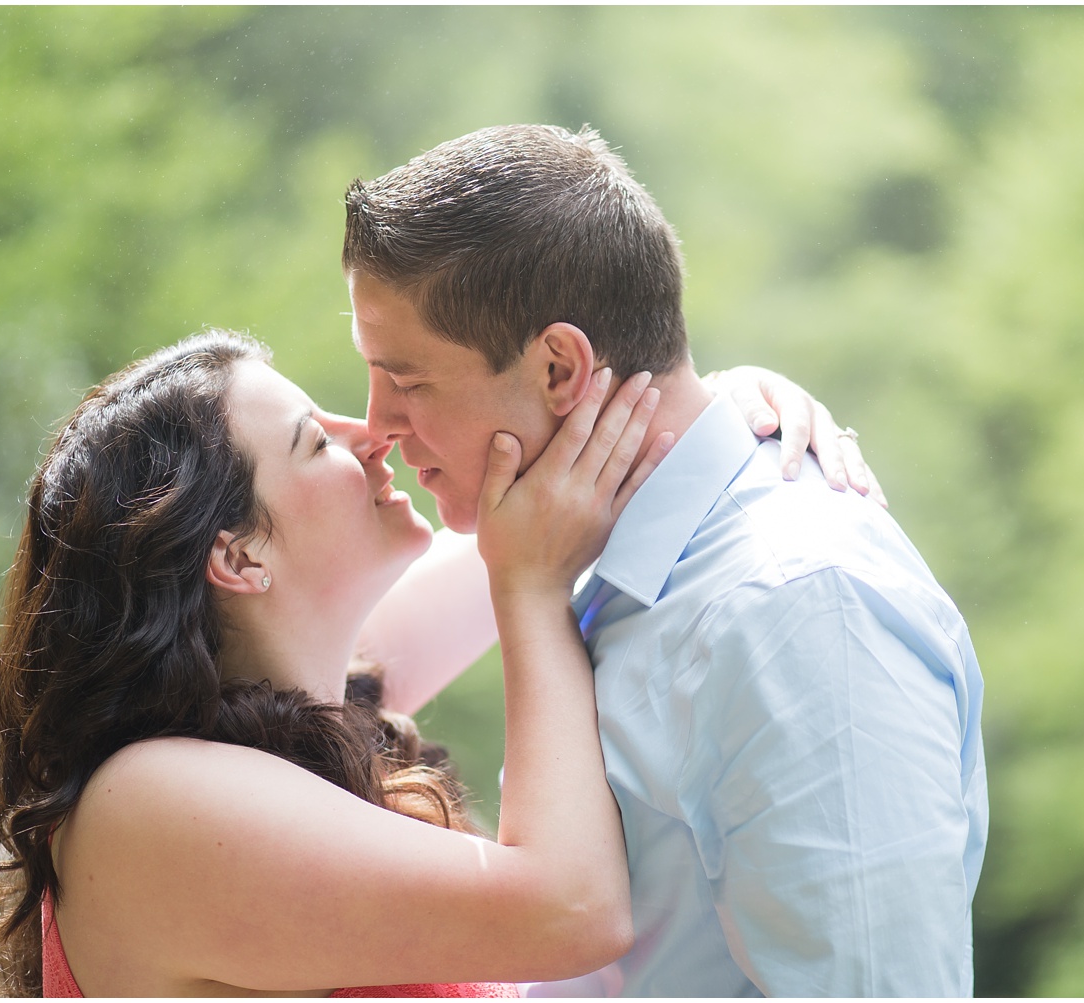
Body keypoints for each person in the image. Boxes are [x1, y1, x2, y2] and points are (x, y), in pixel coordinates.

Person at [0, 328, 866, 996]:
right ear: (238, 557)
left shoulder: (305, 698)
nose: (373, 433)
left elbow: (565, 494)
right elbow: (575, 912)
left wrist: (725, 400)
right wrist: (532, 594)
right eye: (316, 440)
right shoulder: (145, 804)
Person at [341, 124, 988, 997]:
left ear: (561, 368)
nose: (377, 424)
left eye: (408, 380)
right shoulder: (586, 562)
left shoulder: (798, 607)